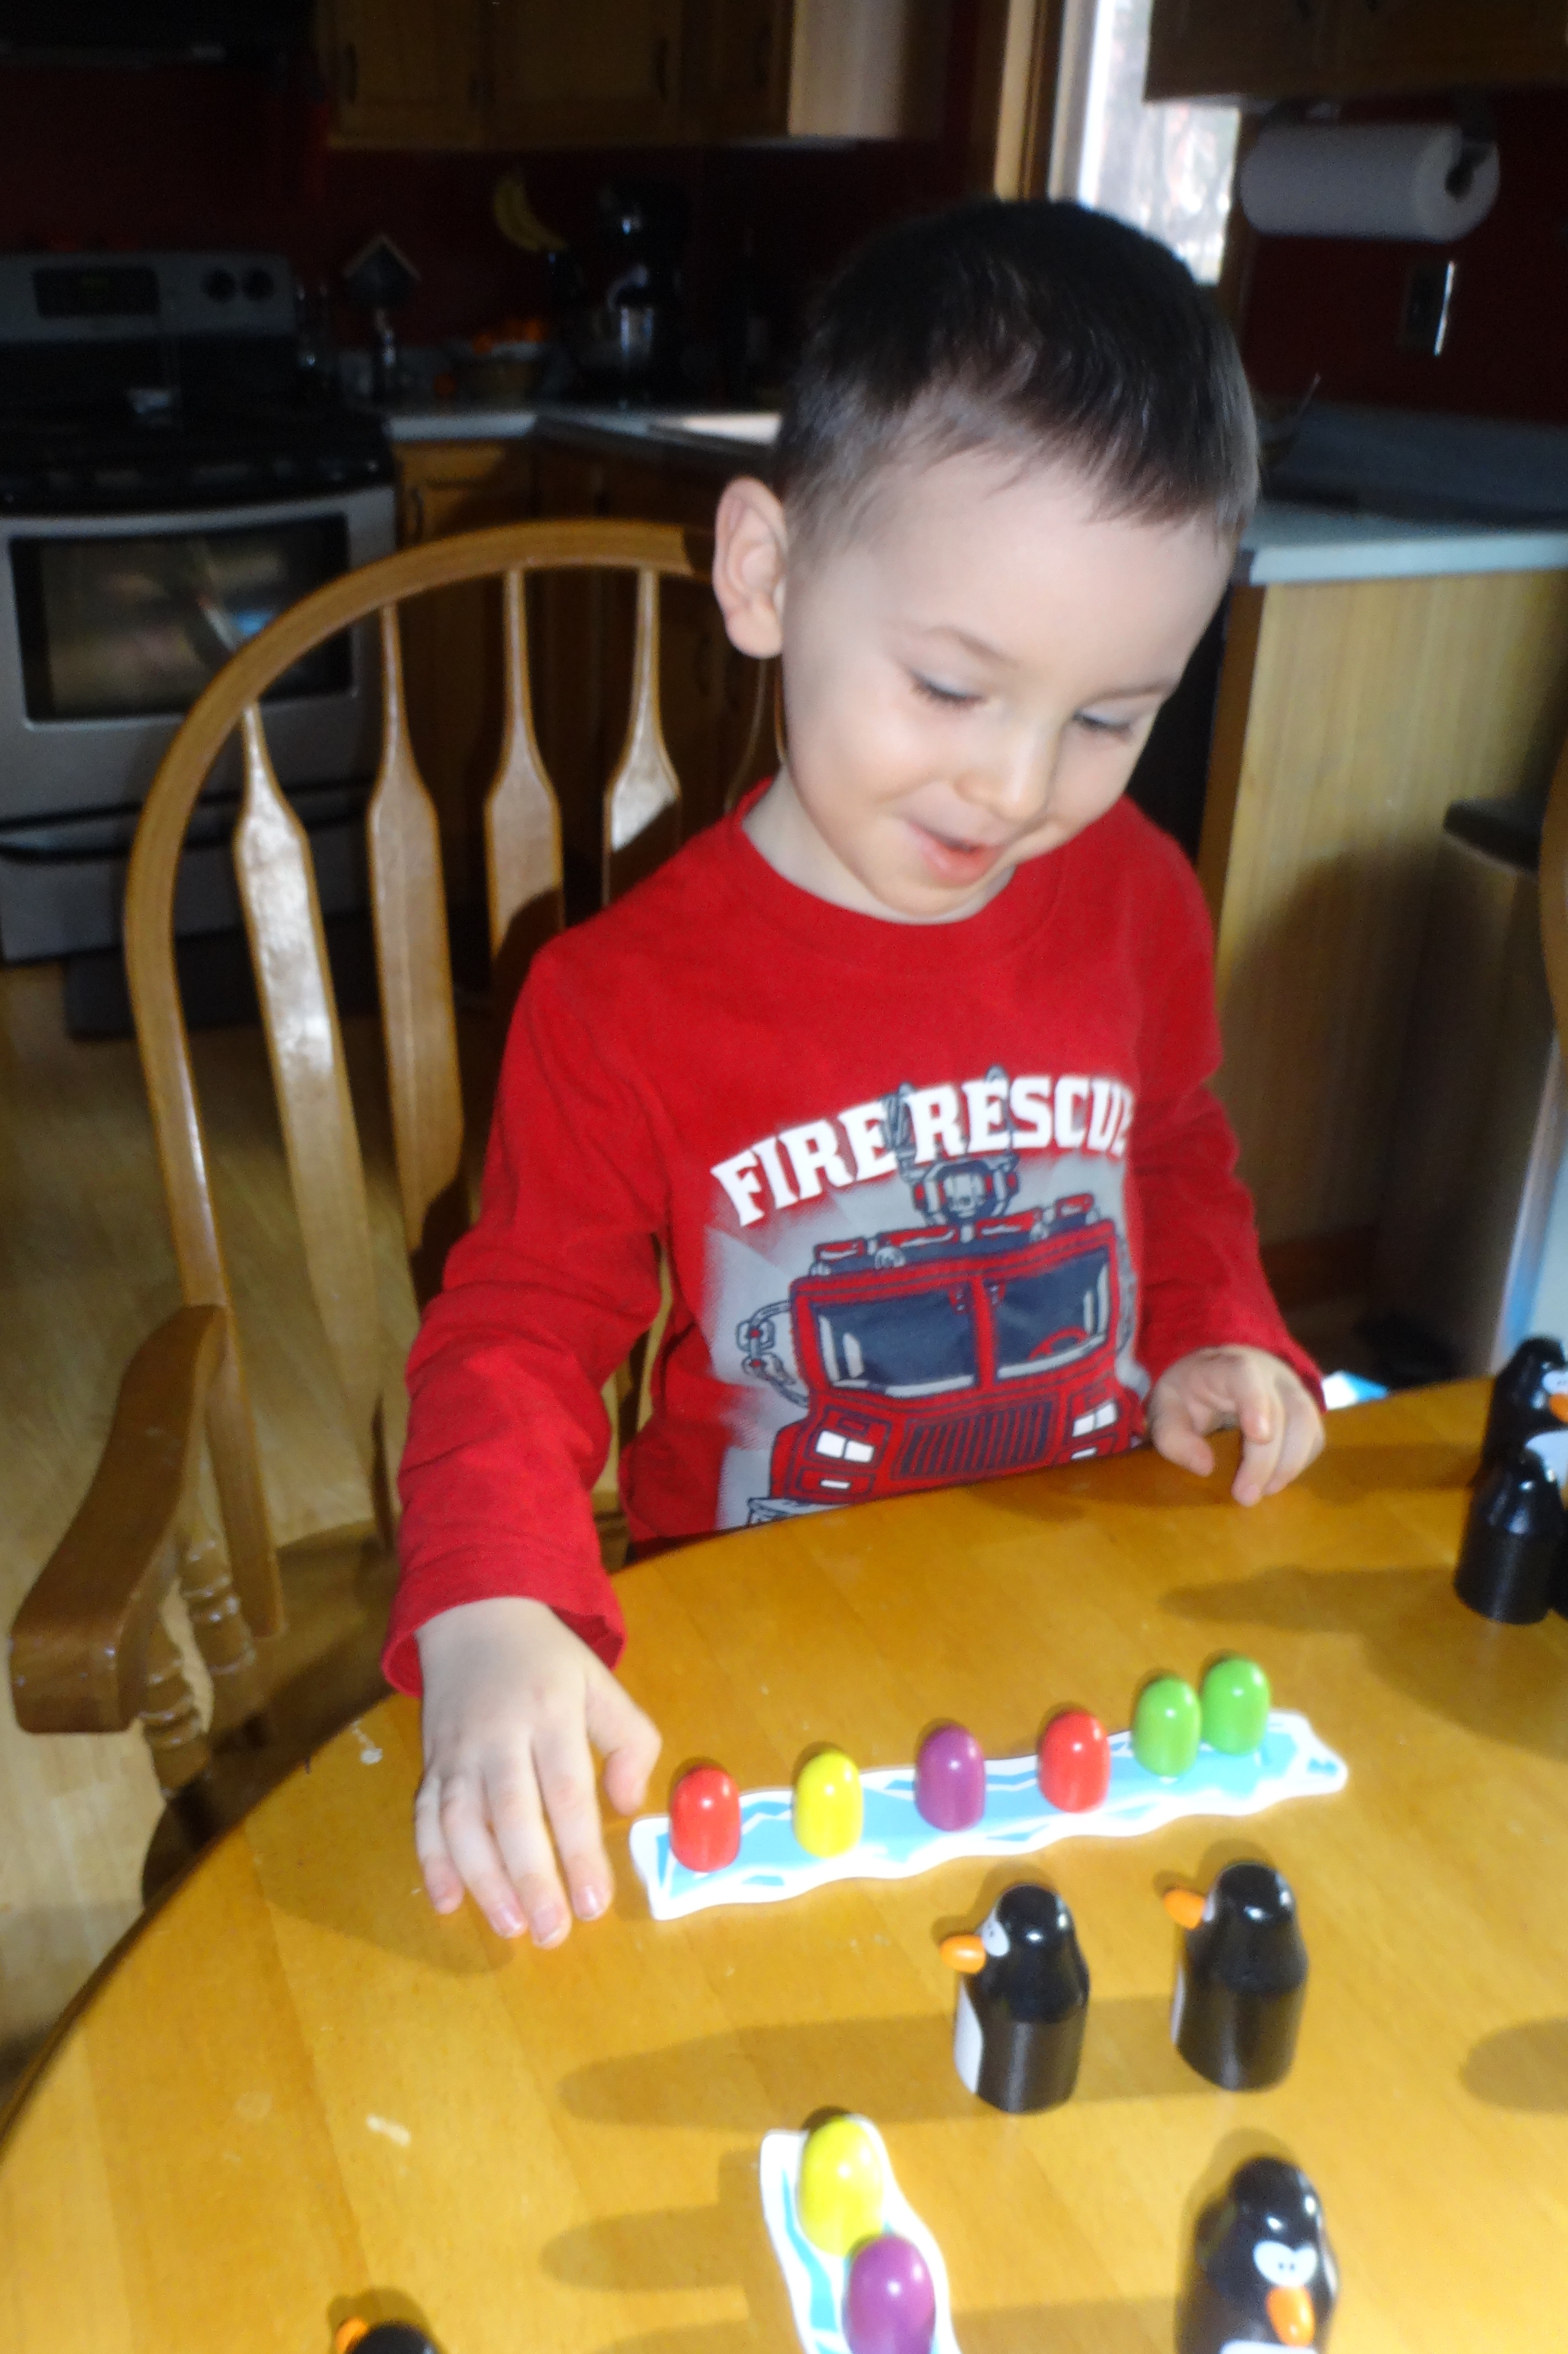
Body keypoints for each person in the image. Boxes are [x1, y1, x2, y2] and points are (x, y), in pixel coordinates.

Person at [387, 198, 1325, 1948]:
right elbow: (513, 1333)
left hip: (1075, 1598)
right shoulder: (617, 1000)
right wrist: (495, 1600)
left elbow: (1175, 1147)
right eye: (953, 686)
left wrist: (1221, 1325)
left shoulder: (1137, 900)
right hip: (750, 1639)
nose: (1018, 788)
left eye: (1109, 718)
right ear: (768, 576)